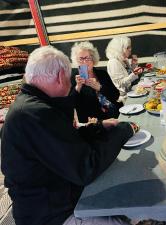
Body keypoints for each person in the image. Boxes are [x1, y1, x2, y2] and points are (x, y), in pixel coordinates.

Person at [0, 45, 138, 225]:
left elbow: (65, 138)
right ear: (59, 77)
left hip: (55, 199)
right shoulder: (34, 113)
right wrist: (123, 131)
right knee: (125, 212)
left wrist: (99, 127)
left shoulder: (32, 104)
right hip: (52, 215)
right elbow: (85, 167)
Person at [70, 41, 122, 122]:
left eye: (88, 58)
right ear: (76, 61)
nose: (85, 62)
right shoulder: (74, 78)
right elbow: (71, 104)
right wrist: (78, 87)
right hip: (96, 122)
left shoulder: (102, 74)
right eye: (81, 59)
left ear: (93, 59)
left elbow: (116, 95)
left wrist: (100, 87)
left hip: (115, 112)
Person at [106, 36, 143, 103]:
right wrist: (134, 73)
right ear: (119, 49)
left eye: (130, 47)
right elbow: (120, 84)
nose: (130, 49)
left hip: (131, 91)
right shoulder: (113, 62)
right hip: (124, 99)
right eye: (127, 47)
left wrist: (134, 65)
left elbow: (129, 75)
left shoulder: (124, 59)